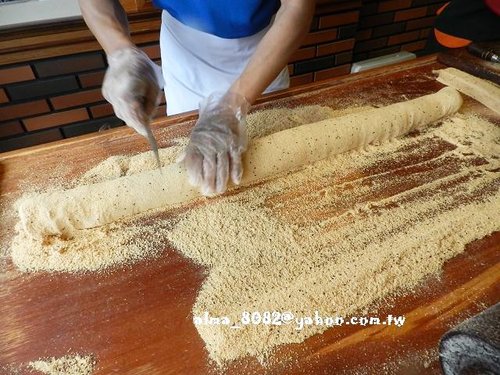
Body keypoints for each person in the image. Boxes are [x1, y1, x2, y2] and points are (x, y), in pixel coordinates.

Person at [78, 0, 314, 195]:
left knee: (268, 169)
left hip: (263, 52)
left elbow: (297, 7)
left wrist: (234, 104)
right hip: (184, 53)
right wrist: (120, 52)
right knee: (193, 175)